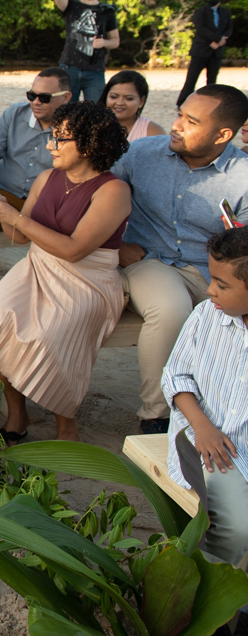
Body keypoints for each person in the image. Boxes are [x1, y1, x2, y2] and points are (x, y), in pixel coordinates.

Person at [0, 103, 131, 442]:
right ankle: (16, 412)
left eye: (60, 139)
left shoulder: (113, 190)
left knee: (52, 333)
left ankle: (66, 423)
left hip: (87, 280)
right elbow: (20, 237)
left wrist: (14, 216)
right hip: (36, 268)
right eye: (53, 136)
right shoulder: (47, 178)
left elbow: (74, 249)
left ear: (89, 143)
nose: (50, 145)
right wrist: (0, 207)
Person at [112, 84, 248, 434]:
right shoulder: (141, 153)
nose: (176, 125)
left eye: (191, 121)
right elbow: (94, 194)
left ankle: (228, 413)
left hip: (212, 269)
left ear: (223, 135)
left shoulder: (244, 176)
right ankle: (157, 414)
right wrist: (115, 245)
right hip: (149, 260)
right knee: (171, 308)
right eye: (179, 115)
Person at [161, 227, 248, 571]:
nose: (210, 290)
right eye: (212, 279)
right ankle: (214, 592)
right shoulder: (205, 316)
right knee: (236, 528)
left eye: (221, 285)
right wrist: (203, 427)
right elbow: (176, 376)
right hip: (212, 450)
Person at [0, 67, 72, 294]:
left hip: (49, 201)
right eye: (31, 95)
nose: (36, 102)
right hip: (7, 193)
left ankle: (51, 291)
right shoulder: (14, 114)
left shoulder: (73, 126)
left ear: (66, 97)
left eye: (44, 97)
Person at [53, 0, 119, 103]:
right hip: (69, 67)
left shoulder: (107, 11)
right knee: (66, 110)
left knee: (96, 110)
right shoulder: (71, 6)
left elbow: (115, 41)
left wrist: (104, 43)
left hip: (95, 70)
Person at [177, 0, 233, 107]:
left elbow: (229, 28)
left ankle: (210, 104)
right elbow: (200, 28)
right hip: (201, 50)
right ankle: (182, 103)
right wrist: (216, 39)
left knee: (212, 81)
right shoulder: (200, 11)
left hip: (217, 52)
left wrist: (222, 40)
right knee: (191, 79)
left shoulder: (226, 13)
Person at [98, 70, 164, 142]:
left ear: (142, 101)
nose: (119, 103)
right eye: (114, 97)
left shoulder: (153, 133)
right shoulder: (94, 126)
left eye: (129, 98)